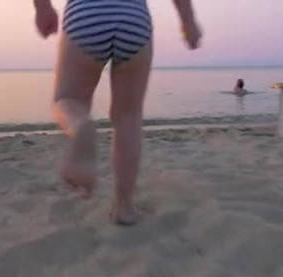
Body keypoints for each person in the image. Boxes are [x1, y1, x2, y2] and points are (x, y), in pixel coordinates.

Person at [33, 0, 202, 225]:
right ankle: (125, 207)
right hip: (134, 18)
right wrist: (188, 22)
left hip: (86, 14)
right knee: (128, 117)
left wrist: (42, 7)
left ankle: (81, 127)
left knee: (68, 99)